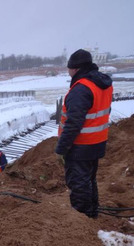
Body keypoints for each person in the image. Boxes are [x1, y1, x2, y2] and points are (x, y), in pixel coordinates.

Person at [55, 49, 113, 219]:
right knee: (89, 180)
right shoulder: (102, 84)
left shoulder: (80, 90)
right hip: (97, 142)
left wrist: (61, 148)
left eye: (69, 68)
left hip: (81, 146)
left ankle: (82, 221)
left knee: (79, 184)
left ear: (76, 69)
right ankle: (92, 214)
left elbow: (73, 124)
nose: (68, 71)